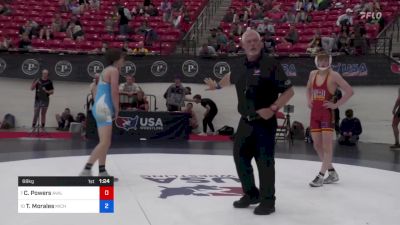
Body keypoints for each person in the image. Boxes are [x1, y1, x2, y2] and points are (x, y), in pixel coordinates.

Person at [204, 29, 294, 215]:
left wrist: (273, 108)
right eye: (249, 42)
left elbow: (289, 92)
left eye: (255, 41)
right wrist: (219, 85)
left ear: (260, 44)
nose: (252, 44)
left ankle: (268, 201)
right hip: (245, 121)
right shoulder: (239, 65)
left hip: (264, 122)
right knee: (240, 157)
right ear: (243, 45)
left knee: (264, 161)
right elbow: (232, 77)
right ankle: (251, 193)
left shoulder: (271, 64)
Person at [306, 51, 353, 187]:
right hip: (314, 113)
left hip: (327, 114)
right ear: (316, 61)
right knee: (317, 145)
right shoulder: (312, 74)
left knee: (327, 146)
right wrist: (309, 100)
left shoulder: (334, 75)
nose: (323, 63)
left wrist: (336, 104)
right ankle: (332, 173)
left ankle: (320, 176)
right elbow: (308, 89)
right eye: (321, 61)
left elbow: (349, 91)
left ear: (330, 61)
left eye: (326, 61)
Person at [79, 48, 124, 179]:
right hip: (104, 107)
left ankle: (102, 171)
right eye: (122, 58)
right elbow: (115, 91)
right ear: (117, 59)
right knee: (105, 142)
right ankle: (86, 170)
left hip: (99, 106)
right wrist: (117, 108)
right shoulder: (114, 71)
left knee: (105, 142)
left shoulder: (106, 70)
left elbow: (98, 90)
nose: (124, 61)